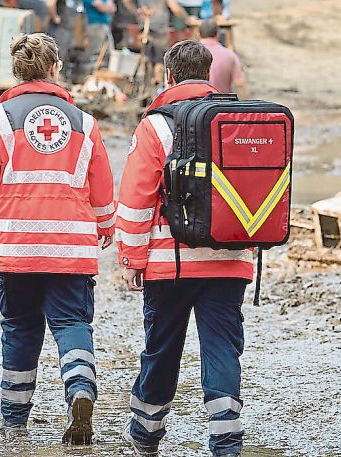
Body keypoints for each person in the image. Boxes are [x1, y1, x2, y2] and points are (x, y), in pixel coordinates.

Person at [0, 33, 116, 445]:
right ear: (55, 68)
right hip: (71, 248)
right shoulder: (84, 123)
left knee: (20, 328)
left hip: (16, 247)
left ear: (17, 70)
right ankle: (80, 389)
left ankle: (14, 419)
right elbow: (101, 191)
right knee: (72, 323)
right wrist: (105, 225)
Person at [117, 40, 253, 457]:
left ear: (168, 76)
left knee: (162, 348)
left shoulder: (156, 125)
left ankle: (145, 434)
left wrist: (131, 257)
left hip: (168, 264)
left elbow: (138, 197)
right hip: (229, 259)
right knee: (221, 348)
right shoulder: (237, 120)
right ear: (209, 74)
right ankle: (226, 438)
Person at [121, 0, 197, 83]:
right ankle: (157, 84)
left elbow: (126, 0)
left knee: (146, 56)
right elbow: (174, 7)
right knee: (160, 59)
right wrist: (187, 18)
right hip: (160, 29)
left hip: (144, 27)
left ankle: (146, 83)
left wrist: (136, 12)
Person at [198, 19, 247, 99]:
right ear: (218, 34)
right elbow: (240, 84)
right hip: (222, 106)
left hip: (197, 107)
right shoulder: (230, 55)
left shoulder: (190, 54)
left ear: (199, 35)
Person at [82, 0, 116, 66]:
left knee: (108, 52)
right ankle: (93, 74)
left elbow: (113, 8)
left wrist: (105, 6)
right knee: (96, 52)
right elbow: (101, 7)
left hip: (105, 25)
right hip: (95, 25)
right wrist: (106, 6)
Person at [46, 0, 73, 65]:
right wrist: (55, 17)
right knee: (57, 52)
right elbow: (49, 3)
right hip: (59, 28)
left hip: (63, 27)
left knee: (60, 51)